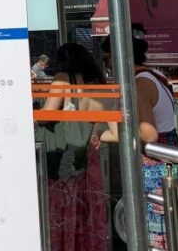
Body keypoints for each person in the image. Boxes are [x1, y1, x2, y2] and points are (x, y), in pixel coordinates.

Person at [101, 38, 178, 250]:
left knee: (159, 226)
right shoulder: (157, 75)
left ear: (118, 56)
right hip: (171, 156)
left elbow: (149, 133)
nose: (107, 64)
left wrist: (110, 124)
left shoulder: (139, 84)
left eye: (107, 58)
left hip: (155, 164)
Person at [40, 43, 110, 251]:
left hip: (68, 154)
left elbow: (48, 113)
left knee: (66, 208)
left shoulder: (63, 78)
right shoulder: (96, 81)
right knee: (89, 207)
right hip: (92, 150)